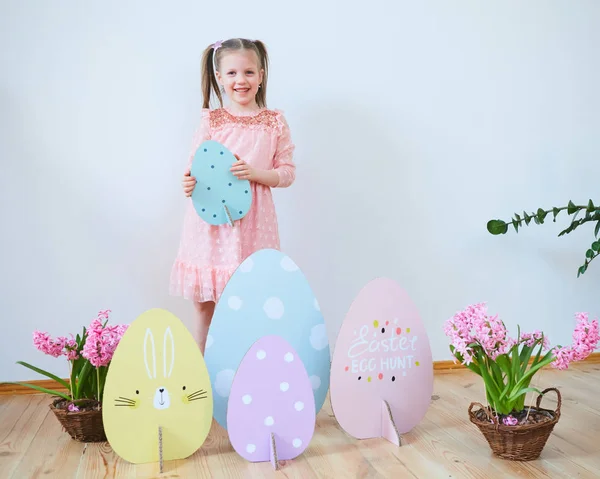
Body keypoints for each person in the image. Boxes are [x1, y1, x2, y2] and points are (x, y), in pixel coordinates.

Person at [169, 38, 296, 354]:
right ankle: (201, 369)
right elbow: (194, 167)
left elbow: (287, 172)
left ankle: (245, 369)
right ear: (220, 77)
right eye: (233, 73)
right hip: (211, 225)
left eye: (249, 72)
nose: (241, 80)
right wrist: (188, 183)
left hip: (255, 224)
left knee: (248, 302)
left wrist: (255, 173)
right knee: (205, 305)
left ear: (262, 75)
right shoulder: (212, 120)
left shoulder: (273, 122)